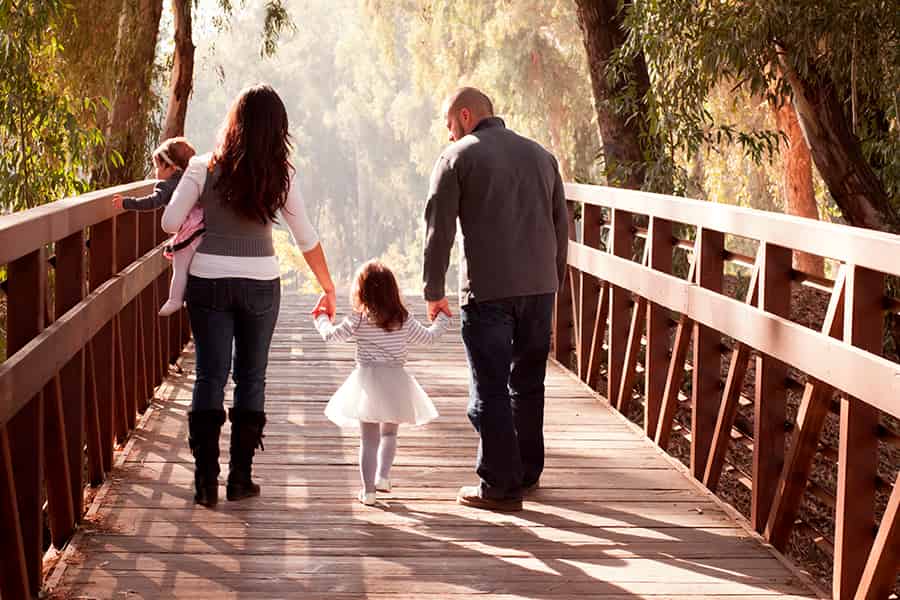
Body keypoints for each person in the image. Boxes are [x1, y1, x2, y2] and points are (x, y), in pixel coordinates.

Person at [162, 84, 337, 508]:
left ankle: (205, 482)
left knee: (209, 375)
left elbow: (169, 222)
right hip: (261, 283)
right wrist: (328, 287)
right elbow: (305, 237)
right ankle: (240, 478)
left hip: (208, 281)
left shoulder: (202, 167)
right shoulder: (280, 174)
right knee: (251, 378)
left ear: (233, 121)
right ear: (278, 129)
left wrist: (201, 208)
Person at [423, 87, 568, 512]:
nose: (449, 135)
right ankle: (526, 470)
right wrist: (552, 282)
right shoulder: (543, 156)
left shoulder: (457, 157)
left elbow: (439, 232)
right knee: (527, 382)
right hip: (540, 289)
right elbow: (562, 228)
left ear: (465, 116)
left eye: (450, 125)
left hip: (489, 291)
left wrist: (434, 291)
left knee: (489, 386)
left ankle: (499, 486)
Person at [313, 260, 449, 505]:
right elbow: (429, 338)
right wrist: (442, 318)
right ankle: (383, 477)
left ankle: (368, 492)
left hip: (368, 383)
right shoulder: (403, 318)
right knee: (389, 435)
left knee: (369, 440)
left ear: (361, 291)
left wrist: (321, 317)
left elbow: (331, 336)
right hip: (396, 382)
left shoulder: (359, 319)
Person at [113, 137, 202, 316]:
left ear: (171, 167)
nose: (155, 173)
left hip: (188, 231)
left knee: (180, 267)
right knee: (197, 268)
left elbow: (153, 202)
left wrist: (126, 203)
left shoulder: (167, 185)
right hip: (202, 228)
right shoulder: (192, 180)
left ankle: (175, 300)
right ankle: (194, 297)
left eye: (157, 167)